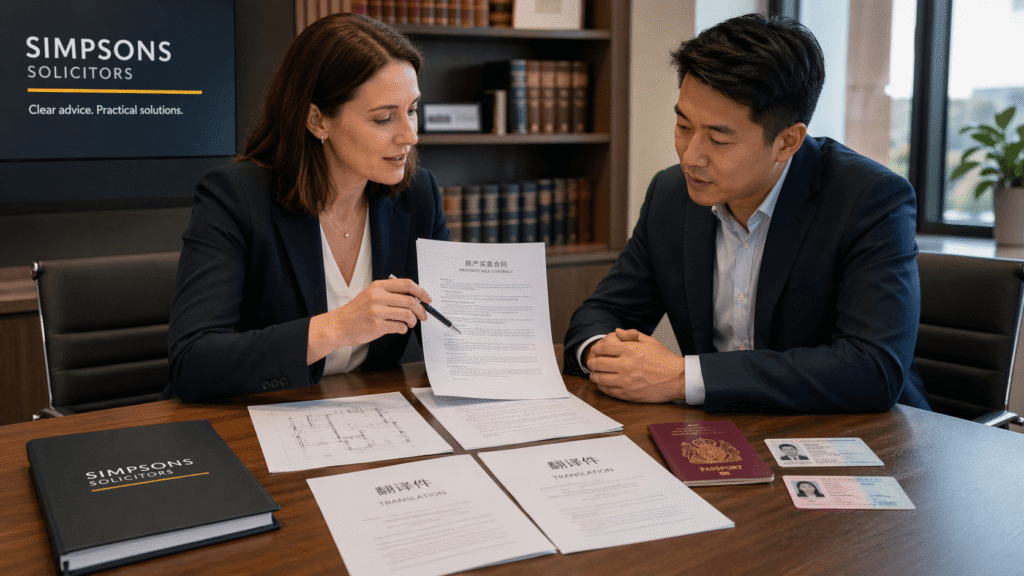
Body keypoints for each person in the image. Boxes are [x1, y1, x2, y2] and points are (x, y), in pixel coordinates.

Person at [563, 14, 931, 413]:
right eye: (684, 126)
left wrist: (683, 377)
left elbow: (873, 369)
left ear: (787, 141)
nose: (691, 157)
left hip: (857, 439)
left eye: (719, 139)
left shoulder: (869, 200)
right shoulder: (671, 196)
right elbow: (604, 312)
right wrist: (605, 355)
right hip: (723, 432)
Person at [165, 14, 448, 402]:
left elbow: (446, 328)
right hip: (255, 421)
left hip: (365, 418)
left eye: (412, 110)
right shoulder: (235, 197)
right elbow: (193, 362)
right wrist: (335, 327)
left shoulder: (419, 195)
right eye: (384, 118)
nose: (410, 136)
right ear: (317, 120)